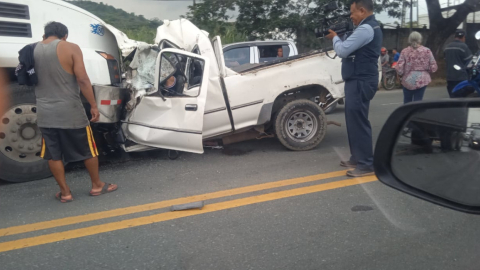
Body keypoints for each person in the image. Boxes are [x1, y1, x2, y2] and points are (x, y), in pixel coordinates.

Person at [34, 22, 117, 203]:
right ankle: (97, 185)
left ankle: (65, 193)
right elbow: (82, 79)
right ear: (64, 35)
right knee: (88, 149)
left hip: (45, 112)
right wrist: (94, 106)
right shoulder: (70, 47)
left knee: (53, 154)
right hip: (70, 111)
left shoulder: (33, 50)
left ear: (45, 35)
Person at [326, 0, 382, 177]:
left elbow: (342, 51)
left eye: (352, 13)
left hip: (361, 80)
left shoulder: (366, 29)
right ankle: (357, 158)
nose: (351, 17)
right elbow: (350, 48)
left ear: (362, 11)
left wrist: (335, 37)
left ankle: (366, 164)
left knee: (359, 122)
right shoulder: (366, 28)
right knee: (353, 121)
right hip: (357, 79)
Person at [395, 31, 438, 104]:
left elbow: (399, 68)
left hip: (407, 80)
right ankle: (416, 114)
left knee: (407, 102)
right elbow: (433, 67)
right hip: (422, 79)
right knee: (418, 101)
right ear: (420, 39)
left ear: (409, 39)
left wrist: (400, 74)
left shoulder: (404, 51)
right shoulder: (427, 51)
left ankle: (407, 114)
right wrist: (427, 71)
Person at [444, 29, 473, 97]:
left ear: (455, 37)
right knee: (461, 99)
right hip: (461, 77)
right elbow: (470, 62)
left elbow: (446, 60)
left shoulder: (447, 47)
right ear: (463, 37)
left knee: (453, 98)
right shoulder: (463, 47)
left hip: (449, 77)